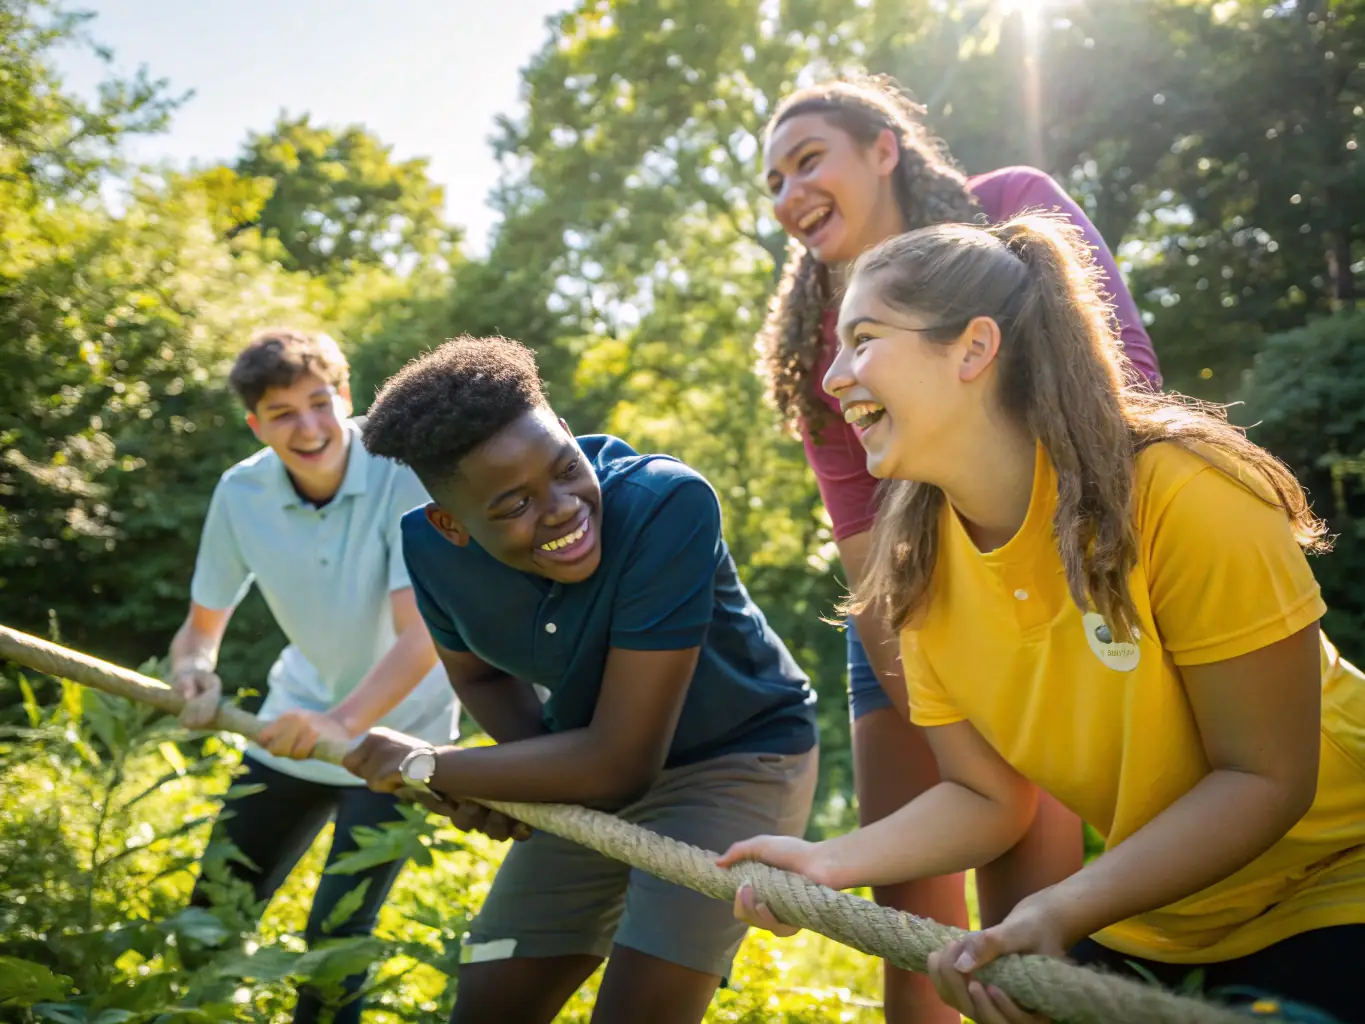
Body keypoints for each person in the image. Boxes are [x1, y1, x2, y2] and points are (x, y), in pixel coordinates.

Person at [717, 211, 1365, 1023]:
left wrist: (1059, 908)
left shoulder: (1183, 493)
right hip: (1161, 918)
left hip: (1339, 880)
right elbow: (986, 797)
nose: (831, 377)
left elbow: (1265, 778)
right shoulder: (917, 567)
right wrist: (826, 861)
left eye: (865, 338)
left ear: (974, 348)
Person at [754, 73, 1165, 1021]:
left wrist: (1055, 625)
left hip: (1050, 576)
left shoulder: (1011, 212)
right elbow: (857, 528)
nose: (788, 196)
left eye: (807, 161)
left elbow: (1124, 382)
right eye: (772, 182)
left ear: (884, 147)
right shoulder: (814, 339)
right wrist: (954, 723)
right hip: (911, 611)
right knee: (916, 935)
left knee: (1021, 928)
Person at [341, 334, 820, 1024]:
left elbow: (620, 764)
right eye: (512, 506)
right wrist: (518, 774)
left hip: (736, 758)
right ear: (453, 525)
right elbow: (478, 680)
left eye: (565, 467)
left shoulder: (666, 505)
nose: (561, 506)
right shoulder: (428, 550)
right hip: (588, 756)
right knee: (488, 1007)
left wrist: (432, 767)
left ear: (566, 432)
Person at [168, 328, 460, 1024]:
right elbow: (199, 630)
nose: (308, 427)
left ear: (347, 397)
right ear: (254, 424)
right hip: (292, 722)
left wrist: (343, 725)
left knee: (334, 946)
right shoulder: (240, 493)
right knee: (206, 921)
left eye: (319, 403)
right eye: (282, 413)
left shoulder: (402, 473)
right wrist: (192, 673)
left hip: (398, 740)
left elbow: (422, 634)